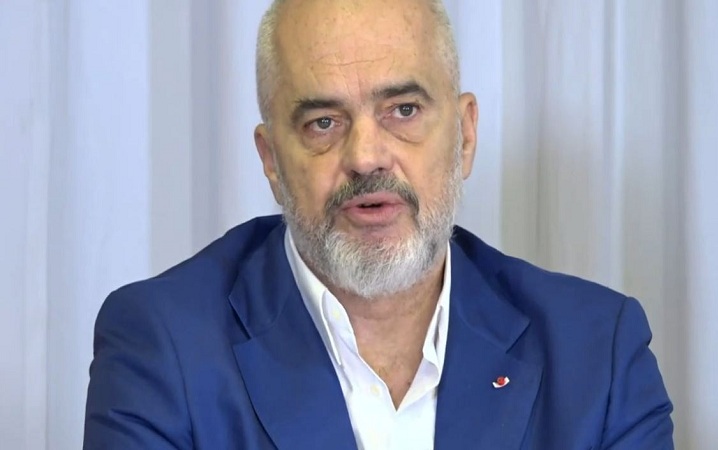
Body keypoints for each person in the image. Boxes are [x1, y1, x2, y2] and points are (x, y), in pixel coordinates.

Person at [84, 0, 673, 448]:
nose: (366, 156)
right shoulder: (162, 345)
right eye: (323, 122)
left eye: (403, 110)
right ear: (271, 160)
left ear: (465, 135)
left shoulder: (598, 353)